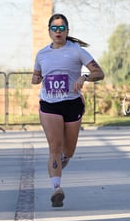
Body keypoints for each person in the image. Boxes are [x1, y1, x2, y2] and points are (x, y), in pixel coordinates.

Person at [32, 13, 105, 207]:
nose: (58, 31)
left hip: (72, 104)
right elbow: (36, 75)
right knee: (55, 147)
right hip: (49, 104)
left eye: (61, 28)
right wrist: (36, 79)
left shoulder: (77, 51)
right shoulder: (42, 54)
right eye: (54, 28)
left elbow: (99, 72)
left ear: (67, 31)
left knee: (68, 151)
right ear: (49, 31)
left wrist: (85, 78)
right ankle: (56, 189)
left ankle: (59, 165)